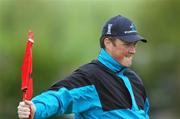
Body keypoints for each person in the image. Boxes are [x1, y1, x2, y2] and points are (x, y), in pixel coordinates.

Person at [17, 15, 150, 119]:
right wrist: (35, 108)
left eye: (135, 44)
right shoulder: (90, 76)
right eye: (127, 44)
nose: (133, 50)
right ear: (108, 43)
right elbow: (59, 97)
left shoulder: (135, 80)